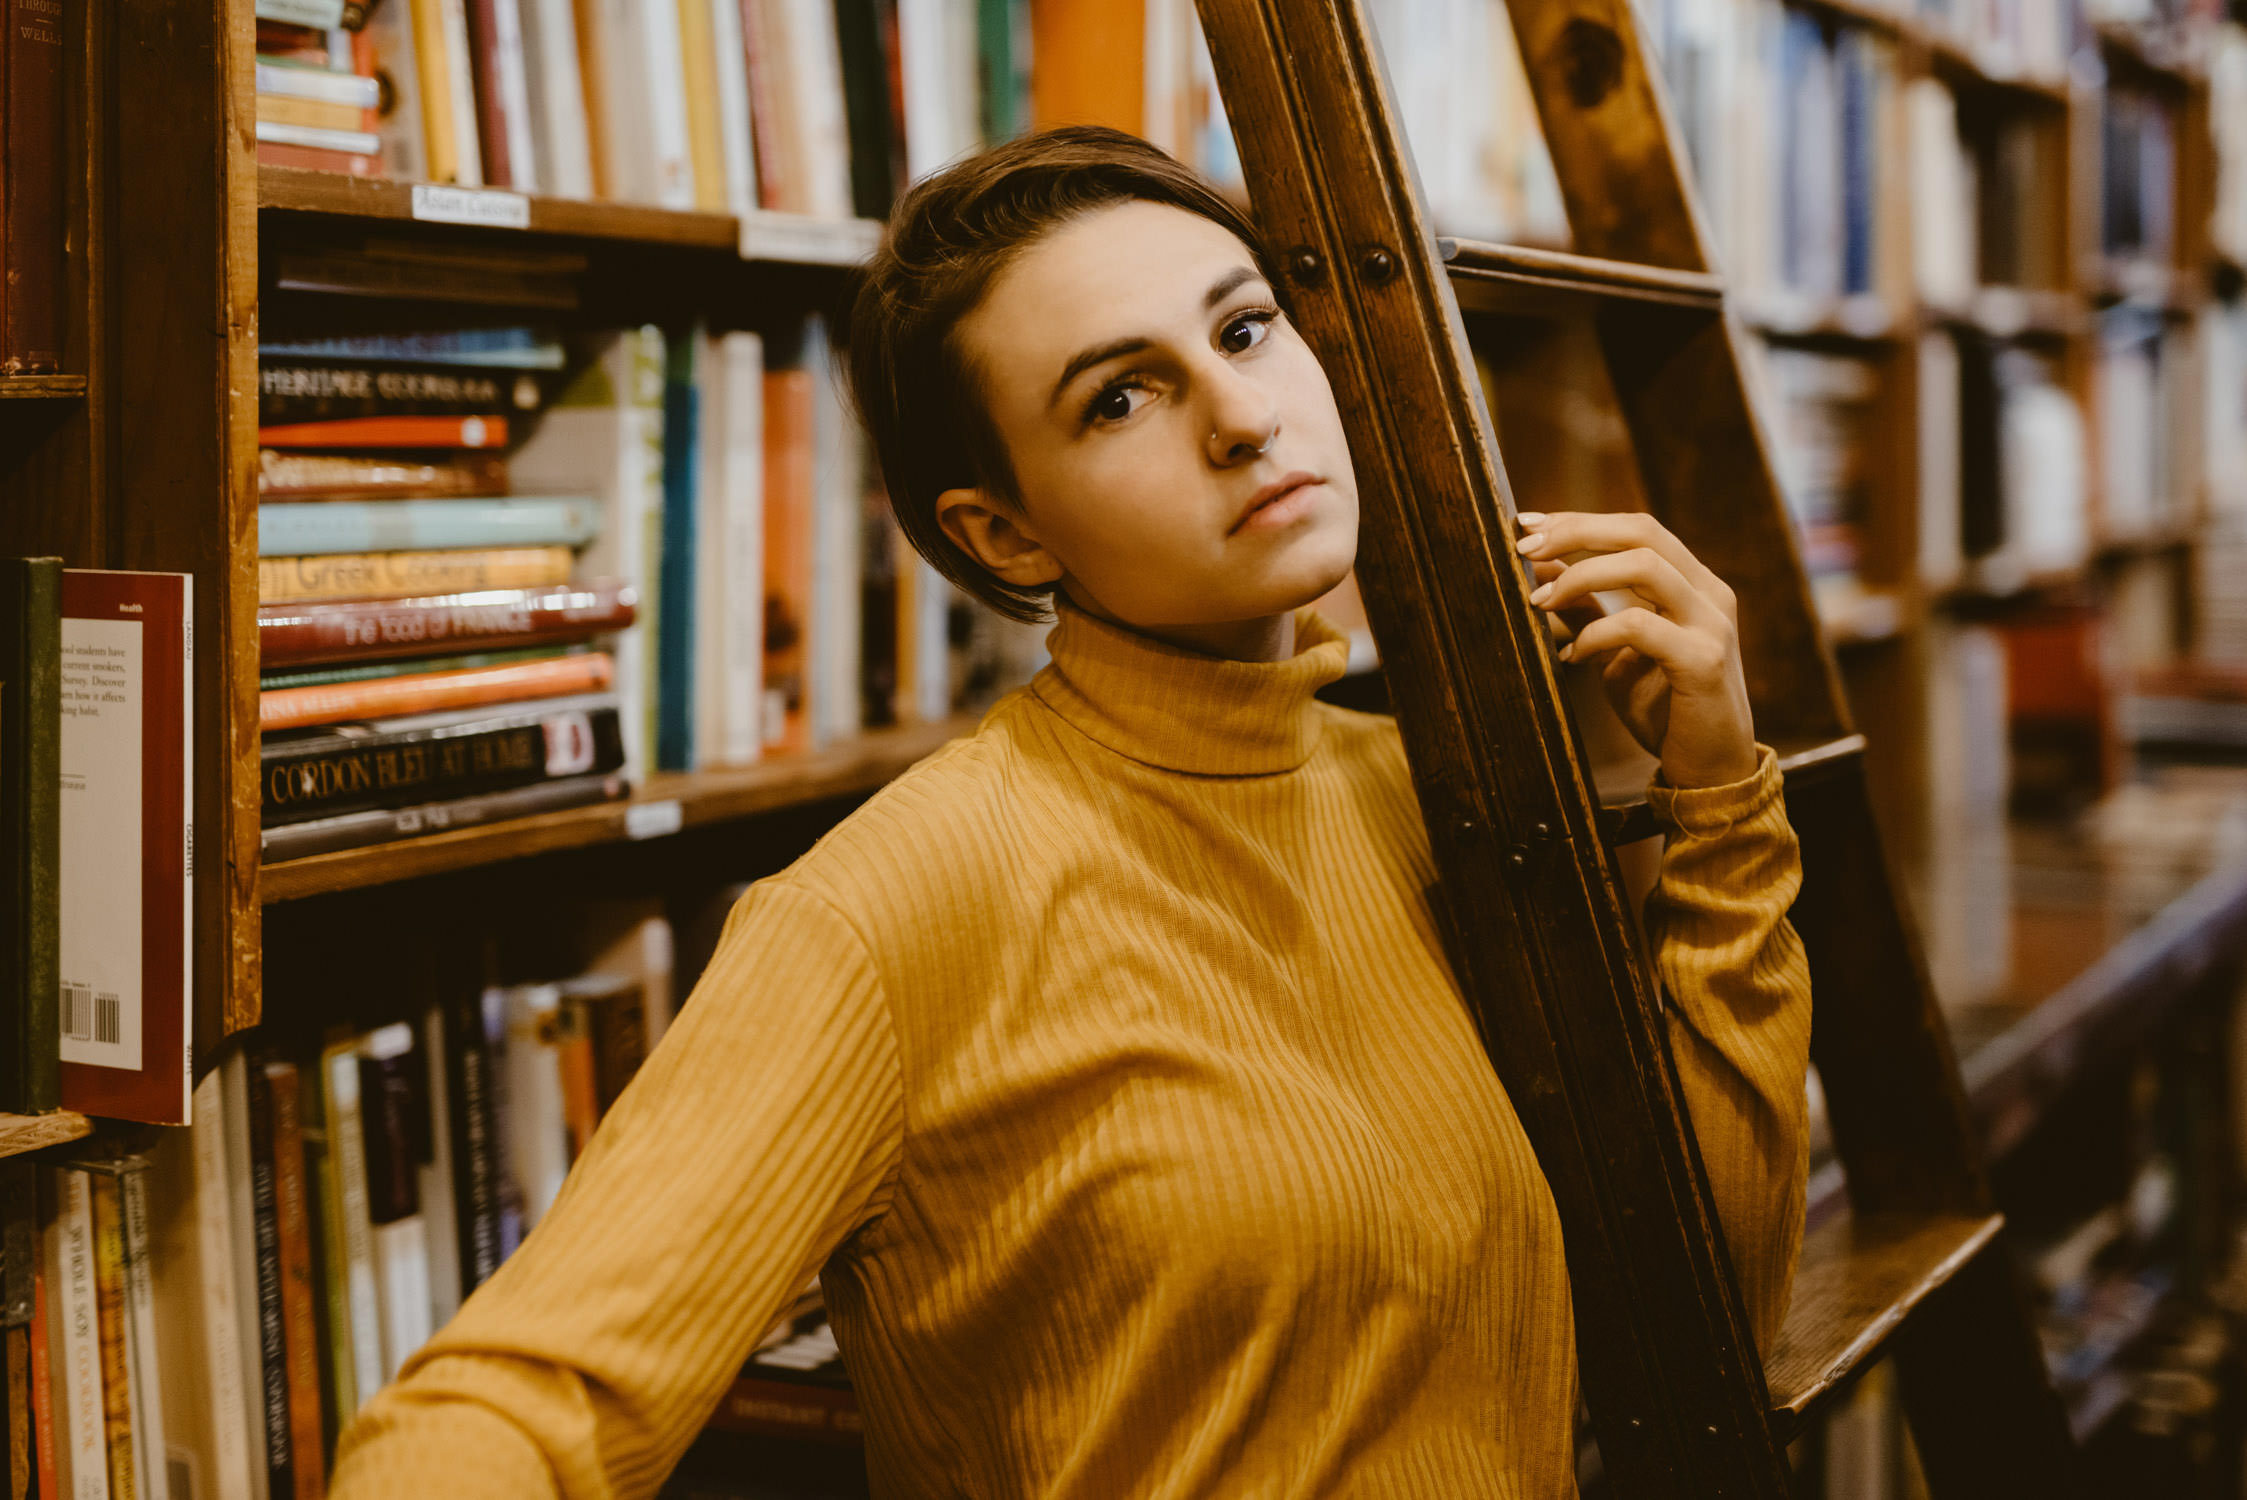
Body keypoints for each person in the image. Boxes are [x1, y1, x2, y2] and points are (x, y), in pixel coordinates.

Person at [330, 125, 1811, 1499]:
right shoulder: (891, 907)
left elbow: (1704, 1330)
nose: (1239, 416)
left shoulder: (1417, 793)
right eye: (1121, 395)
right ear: (1006, 530)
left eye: (1244, 330)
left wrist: (1720, 802)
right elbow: (516, 1407)